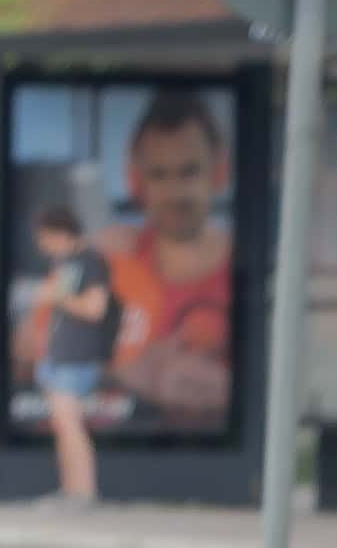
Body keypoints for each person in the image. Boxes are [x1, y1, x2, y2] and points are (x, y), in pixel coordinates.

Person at [93, 93, 234, 428]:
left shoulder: (251, 265)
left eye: (189, 172)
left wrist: (228, 389)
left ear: (218, 173)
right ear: (136, 183)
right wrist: (126, 373)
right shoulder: (111, 257)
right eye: (159, 175)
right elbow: (40, 353)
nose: (175, 193)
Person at [25, 203, 116, 503]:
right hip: (58, 355)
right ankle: (70, 488)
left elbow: (95, 308)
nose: (43, 246)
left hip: (77, 357)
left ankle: (84, 490)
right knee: (62, 427)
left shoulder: (90, 262)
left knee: (71, 425)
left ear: (60, 233)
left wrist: (58, 297)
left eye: (45, 238)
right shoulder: (67, 263)